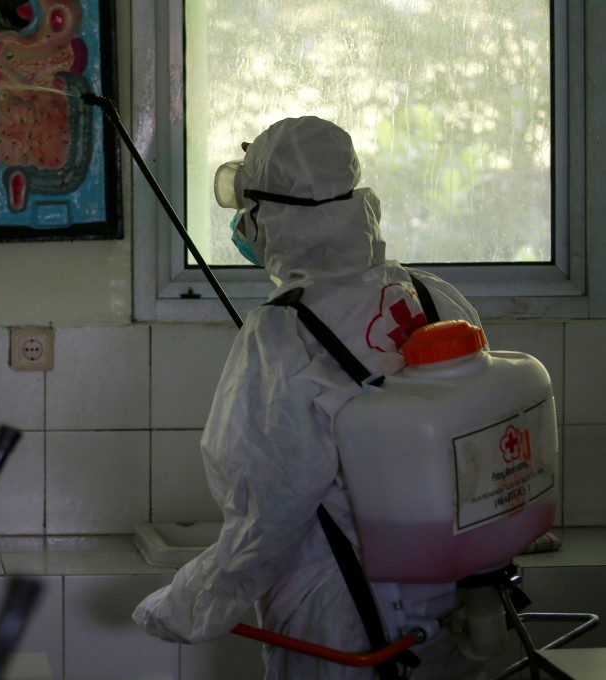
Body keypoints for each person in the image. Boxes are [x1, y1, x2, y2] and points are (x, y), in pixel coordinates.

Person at [132, 116, 488, 679]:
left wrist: (186, 607)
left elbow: (268, 513)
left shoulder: (284, 334)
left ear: (273, 219)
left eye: (248, 214)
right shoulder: (433, 297)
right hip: (452, 605)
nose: (245, 228)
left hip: (343, 615)